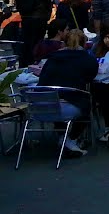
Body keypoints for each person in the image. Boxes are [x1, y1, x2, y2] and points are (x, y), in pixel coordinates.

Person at [37, 29, 98, 157]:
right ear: (84, 43)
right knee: (87, 105)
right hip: (67, 105)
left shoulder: (52, 58)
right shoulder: (87, 59)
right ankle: (71, 139)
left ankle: (63, 136)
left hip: (41, 106)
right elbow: (90, 77)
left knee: (56, 97)